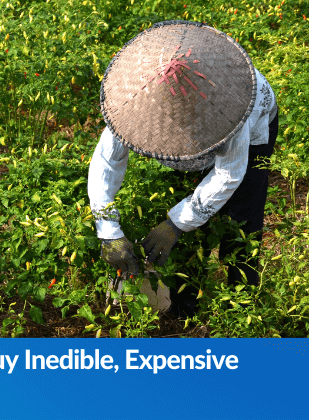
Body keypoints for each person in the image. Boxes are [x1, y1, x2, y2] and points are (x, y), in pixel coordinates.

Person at [88, 20, 278, 317]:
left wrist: (176, 224)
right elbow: (107, 162)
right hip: (178, 109)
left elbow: (229, 174)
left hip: (253, 126)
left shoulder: (231, 106)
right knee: (185, 209)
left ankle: (242, 307)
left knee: (241, 219)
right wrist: (109, 231)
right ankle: (184, 306)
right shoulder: (133, 100)